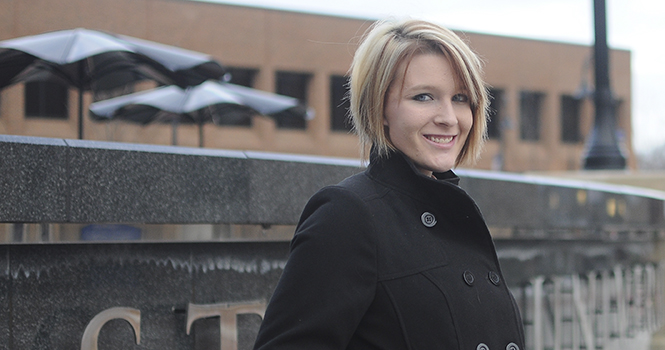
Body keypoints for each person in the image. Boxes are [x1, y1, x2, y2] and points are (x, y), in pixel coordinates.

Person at [253, 18, 525, 350]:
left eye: (460, 98)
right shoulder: (348, 214)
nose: (449, 118)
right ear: (380, 107)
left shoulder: (456, 213)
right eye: (423, 97)